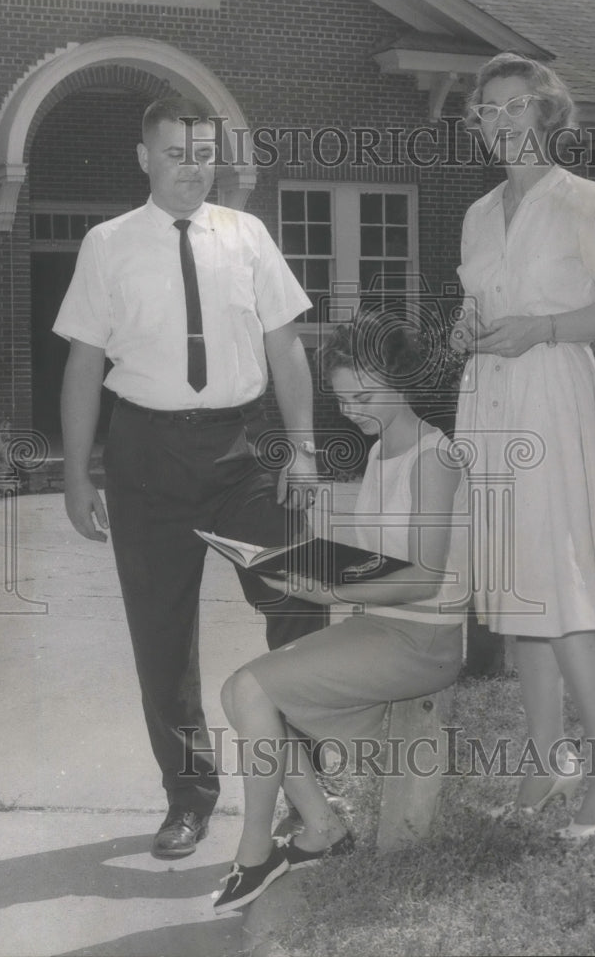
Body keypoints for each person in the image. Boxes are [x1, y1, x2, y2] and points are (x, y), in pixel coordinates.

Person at [52, 95, 328, 860]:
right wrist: (79, 475)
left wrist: (302, 450)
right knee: (162, 637)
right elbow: (83, 364)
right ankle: (188, 796)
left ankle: (308, 780)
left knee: (301, 595)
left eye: (202, 153)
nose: (191, 168)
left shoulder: (248, 236)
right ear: (144, 158)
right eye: (175, 153)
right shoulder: (107, 245)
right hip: (144, 453)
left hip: (240, 449)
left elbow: (285, 347)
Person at [450, 52, 595, 840]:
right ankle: (545, 757)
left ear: (543, 110)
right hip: (489, 401)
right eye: (485, 111)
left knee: (560, 584)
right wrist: (467, 330)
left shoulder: (581, 201)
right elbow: (480, 307)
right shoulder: (475, 213)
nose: (499, 122)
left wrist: (543, 329)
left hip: (552, 395)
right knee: (515, 588)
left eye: (512, 106)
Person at [212, 317, 470, 913]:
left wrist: (332, 595)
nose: (351, 409)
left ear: (403, 384)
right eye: (342, 397)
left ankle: (255, 854)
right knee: (240, 693)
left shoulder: (435, 457)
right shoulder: (383, 451)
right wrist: (308, 565)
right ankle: (321, 829)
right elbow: (382, 560)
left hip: (423, 642)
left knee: (249, 689)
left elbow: (427, 577)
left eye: (364, 395)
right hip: (383, 626)